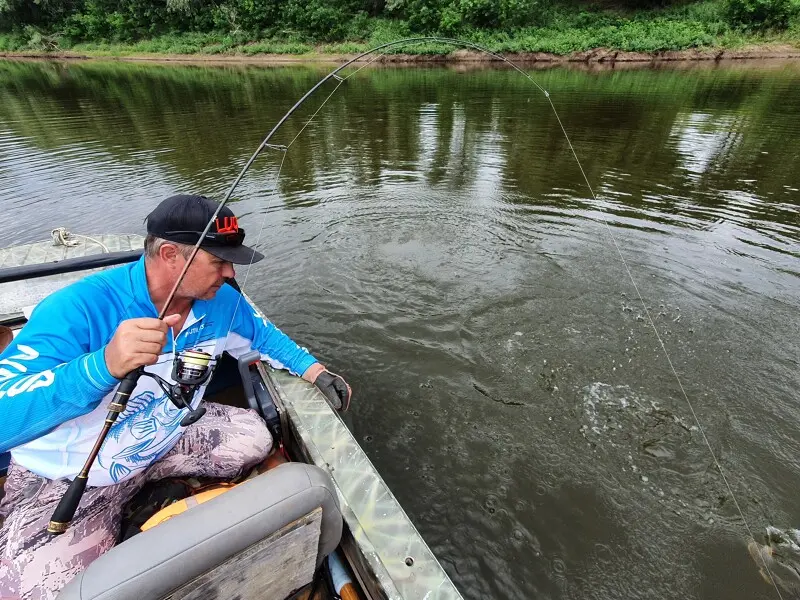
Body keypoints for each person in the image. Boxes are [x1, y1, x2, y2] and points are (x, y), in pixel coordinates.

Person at [0, 194, 351, 600]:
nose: (229, 272)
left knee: (256, 437)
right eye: (218, 261)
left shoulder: (219, 300)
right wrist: (100, 367)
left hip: (164, 439)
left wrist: (316, 371)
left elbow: (264, 337)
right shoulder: (76, 309)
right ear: (170, 254)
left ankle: (148, 484)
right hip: (74, 475)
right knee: (30, 591)